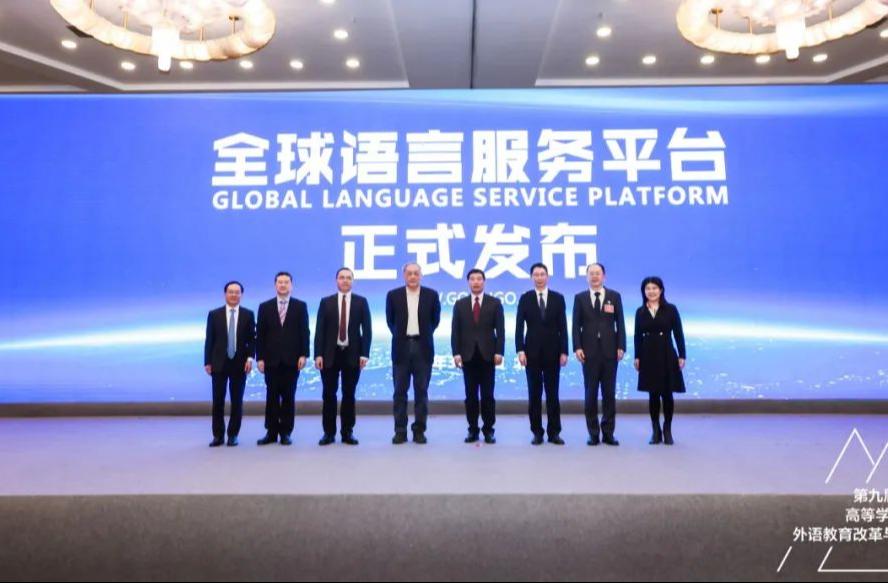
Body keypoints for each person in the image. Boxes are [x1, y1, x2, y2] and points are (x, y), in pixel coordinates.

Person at [314, 267, 372, 446]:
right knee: (328, 394)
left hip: (352, 355)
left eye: (348, 278)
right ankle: (328, 433)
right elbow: (320, 330)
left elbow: (367, 330)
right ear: (336, 280)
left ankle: (347, 432)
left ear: (352, 281)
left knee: (349, 394)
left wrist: (365, 353)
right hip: (329, 355)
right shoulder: (326, 302)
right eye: (341, 277)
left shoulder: (361, 302)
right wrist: (318, 354)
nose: (345, 280)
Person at [385, 262, 441, 444]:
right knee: (399, 392)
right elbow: (390, 321)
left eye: (416, 273)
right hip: (401, 348)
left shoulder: (431, 295)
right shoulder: (393, 295)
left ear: (421, 275)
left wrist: (422, 335)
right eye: (409, 273)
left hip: (423, 348)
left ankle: (419, 431)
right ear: (404, 275)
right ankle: (400, 431)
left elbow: (435, 321)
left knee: (421, 392)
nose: (412, 276)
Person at [572, 263, 626, 446]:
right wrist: (577, 347)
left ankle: (608, 433)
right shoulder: (580, 298)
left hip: (610, 352)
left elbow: (620, 323)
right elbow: (575, 325)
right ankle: (593, 433)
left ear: (604, 276)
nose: (595, 276)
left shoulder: (614, 296)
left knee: (609, 394)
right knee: (590, 394)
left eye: (598, 273)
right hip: (588, 353)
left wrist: (621, 346)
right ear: (587, 277)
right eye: (591, 273)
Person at [515, 263, 568, 445]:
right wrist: (520, 350)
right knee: (534, 395)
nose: (539, 277)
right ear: (532, 277)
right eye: (536, 275)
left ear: (547, 277)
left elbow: (563, 327)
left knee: (553, 395)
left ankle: (554, 432)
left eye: (542, 274)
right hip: (531, 354)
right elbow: (519, 327)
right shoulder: (525, 298)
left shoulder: (558, 298)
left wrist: (564, 351)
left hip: (553, 353)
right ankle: (537, 432)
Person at [255, 272, 310, 446]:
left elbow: (304, 332)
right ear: (275, 285)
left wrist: (304, 354)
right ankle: (271, 432)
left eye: (286, 282)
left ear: (291, 285)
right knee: (271, 397)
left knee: (288, 397)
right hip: (270, 360)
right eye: (280, 282)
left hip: (292, 360)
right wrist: (260, 357)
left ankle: (286, 432)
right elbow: (260, 335)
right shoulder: (265, 307)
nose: (283, 285)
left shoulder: (300, 306)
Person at [451, 268, 505, 444]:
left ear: (484, 282)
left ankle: (488, 430)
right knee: (471, 396)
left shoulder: (494, 303)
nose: (476, 282)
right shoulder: (460, 304)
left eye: (479, 279)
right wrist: (456, 353)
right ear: (468, 282)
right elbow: (455, 331)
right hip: (467, 356)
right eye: (472, 279)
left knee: (488, 396)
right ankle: (472, 429)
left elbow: (501, 331)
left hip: (488, 356)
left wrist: (499, 352)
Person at [633, 276, 686, 446]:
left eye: (654, 288)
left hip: (666, 353)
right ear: (644, 292)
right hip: (648, 354)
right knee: (653, 394)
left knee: (667, 394)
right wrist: (637, 356)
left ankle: (667, 429)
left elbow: (678, 333)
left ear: (661, 290)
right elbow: (637, 336)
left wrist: (682, 355)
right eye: (648, 289)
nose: (651, 291)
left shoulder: (670, 309)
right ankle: (655, 430)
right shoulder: (640, 311)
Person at [204, 281, 255, 447]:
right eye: (231, 292)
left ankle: (233, 435)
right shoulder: (214, 314)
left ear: (241, 295)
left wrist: (250, 358)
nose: (234, 295)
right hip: (218, 363)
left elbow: (251, 339)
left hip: (240, 364)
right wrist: (207, 361)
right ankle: (218, 436)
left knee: (237, 401)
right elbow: (209, 340)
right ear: (225, 294)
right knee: (218, 401)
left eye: (237, 292)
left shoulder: (248, 314)